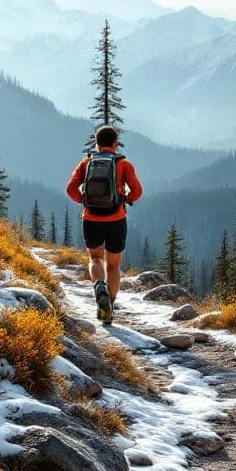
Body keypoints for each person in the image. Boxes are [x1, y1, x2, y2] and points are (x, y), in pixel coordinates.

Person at [66, 125, 143, 325]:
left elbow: (71, 188)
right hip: (116, 219)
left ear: (97, 143)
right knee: (113, 265)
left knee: (95, 258)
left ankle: (99, 286)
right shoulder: (123, 163)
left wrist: (83, 200)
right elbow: (137, 190)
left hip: (91, 219)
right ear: (116, 144)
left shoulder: (86, 162)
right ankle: (109, 306)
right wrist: (127, 199)